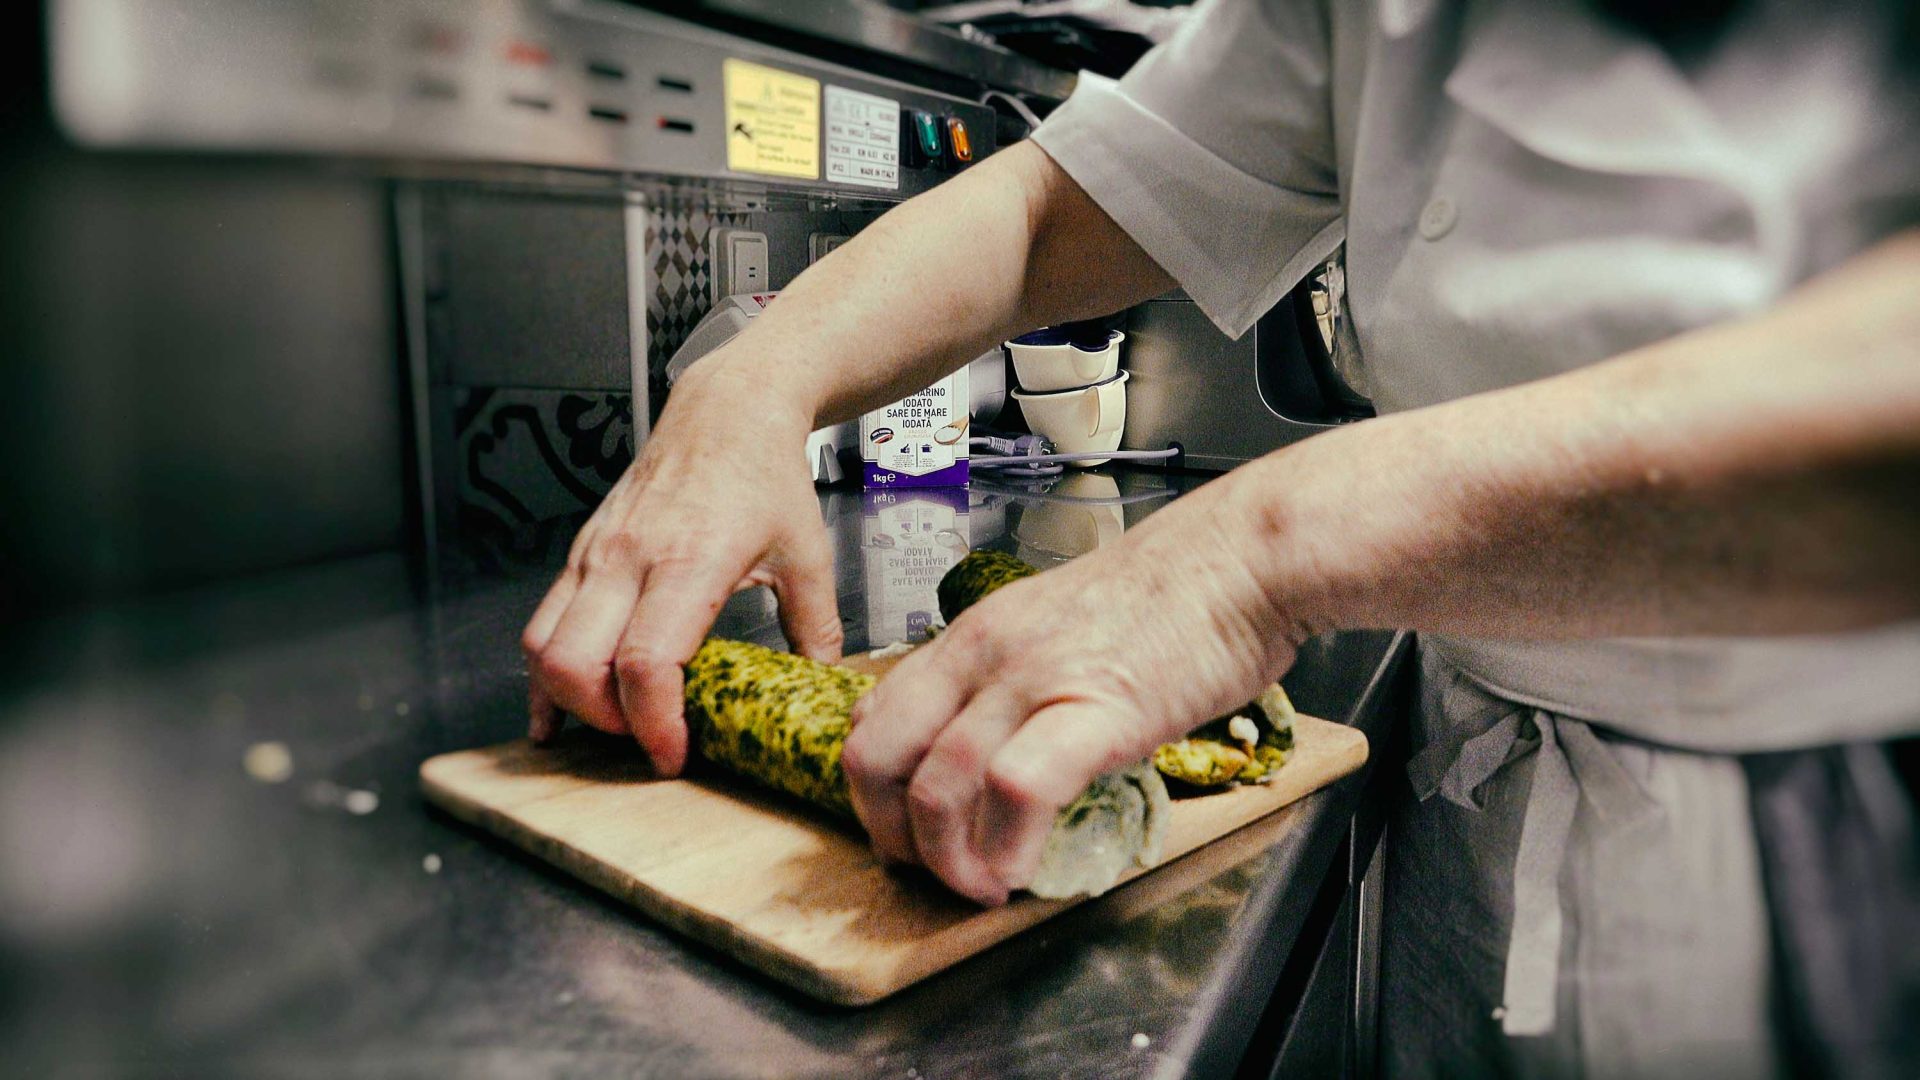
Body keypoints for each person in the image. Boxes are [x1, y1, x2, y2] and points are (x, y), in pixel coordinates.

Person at [522, 0, 1920, 1073]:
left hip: (1841, 826)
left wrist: (1247, 557)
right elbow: (1065, 202)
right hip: (1490, 779)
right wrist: (757, 376)